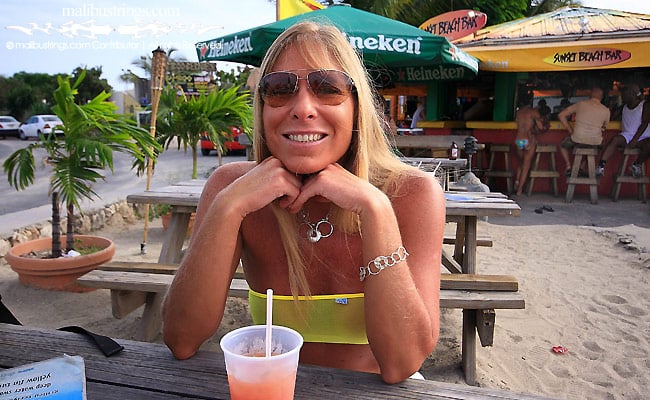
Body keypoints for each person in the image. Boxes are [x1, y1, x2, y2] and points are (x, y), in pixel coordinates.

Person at [161, 21, 444, 384]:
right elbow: (181, 339)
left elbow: (401, 364)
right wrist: (228, 208)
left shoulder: (413, 194)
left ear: (357, 106)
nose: (303, 108)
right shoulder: (230, 188)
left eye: (327, 88)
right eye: (280, 89)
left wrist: (376, 211)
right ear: (262, 109)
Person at [597, 83, 650, 178]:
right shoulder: (624, 107)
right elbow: (612, 116)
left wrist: (634, 140)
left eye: (624, 95)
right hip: (627, 136)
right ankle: (601, 166)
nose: (622, 97)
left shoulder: (645, 105)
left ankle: (636, 164)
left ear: (632, 94)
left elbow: (645, 123)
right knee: (615, 140)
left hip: (643, 137)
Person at [557, 87, 610, 176]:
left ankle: (569, 167)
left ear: (590, 95)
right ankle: (582, 166)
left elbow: (561, 115)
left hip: (577, 139)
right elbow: (604, 127)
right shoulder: (606, 110)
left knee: (563, 145)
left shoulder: (581, 104)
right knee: (593, 146)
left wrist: (570, 130)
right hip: (595, 142)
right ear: (602, 97)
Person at [514, 98, 549, 195]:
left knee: (520, 163)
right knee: (526, 165)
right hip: (528, 140)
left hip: (519, 140)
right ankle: (519, 190)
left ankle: (517, 181)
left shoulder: (519, 113)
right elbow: (541, 127)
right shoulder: (533, 112)